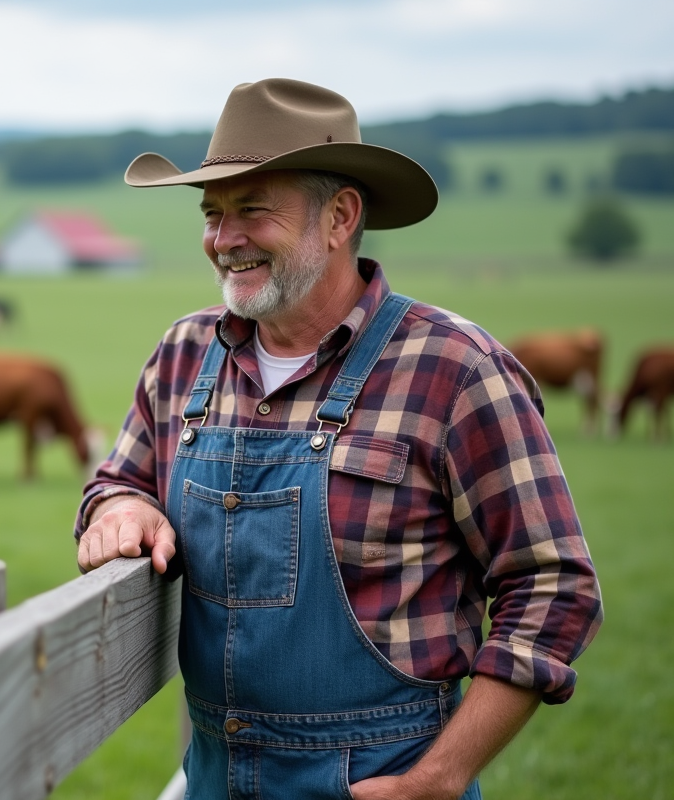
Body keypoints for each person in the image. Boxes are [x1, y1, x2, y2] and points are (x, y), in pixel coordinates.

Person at [74, 79, 602, 800]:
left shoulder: (454, 369)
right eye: (212, 213)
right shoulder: (183, 353)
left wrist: (440, 777)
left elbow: (553, 582)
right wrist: (117, 510)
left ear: (340, 217)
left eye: (252, 211)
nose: (224, 240)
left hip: (384, 787)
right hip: (212, 780)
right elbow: (119, 480)